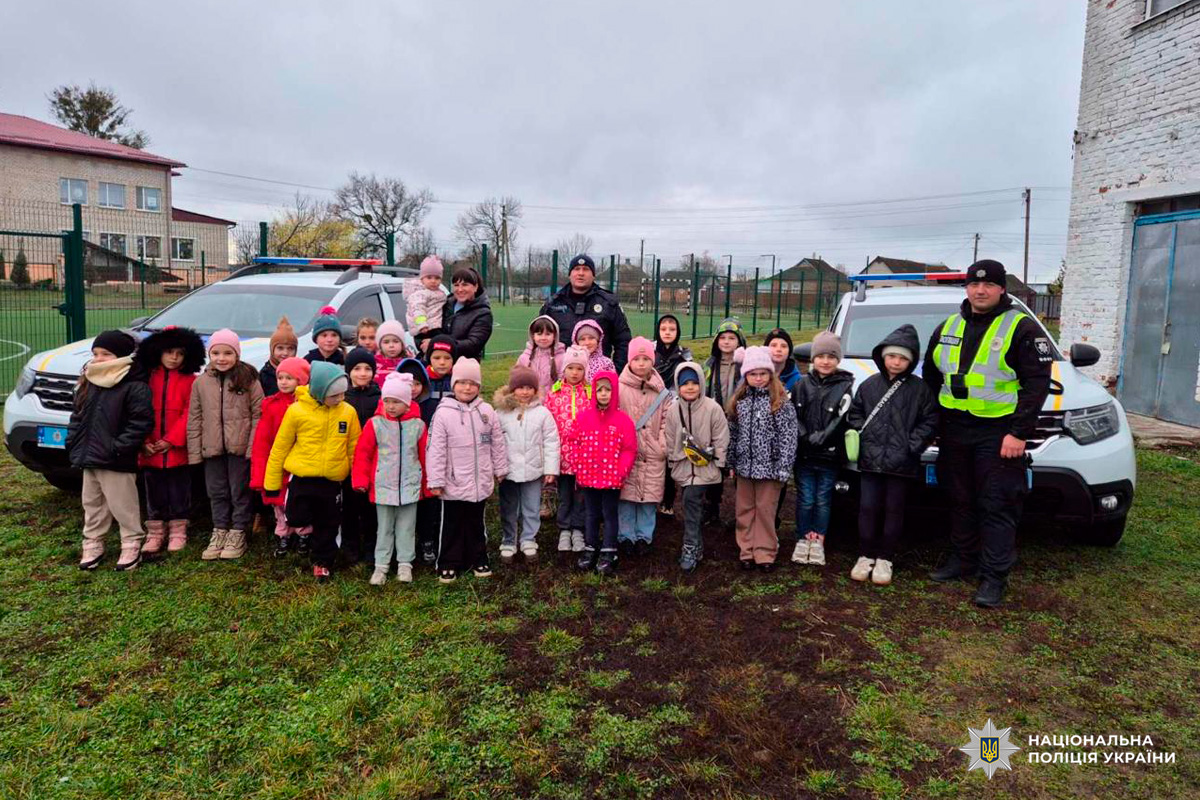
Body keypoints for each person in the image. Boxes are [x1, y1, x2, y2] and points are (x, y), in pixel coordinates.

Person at [922, 259, 1052, 607]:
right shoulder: (949, 325)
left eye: (989, 285)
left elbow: (1036, 384)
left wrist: (1018, 432)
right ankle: (962, 560)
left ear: (1001, 289)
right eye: (974, 285)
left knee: (997, 502)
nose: (980, 291)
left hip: (998, 431)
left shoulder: (1021, 328)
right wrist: (935, 424)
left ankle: (994, 576)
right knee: (960, 498)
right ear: (966, 288)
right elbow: (932, 376)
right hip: (955, 429)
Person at [847, 325, 938, 586]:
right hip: (871, 461)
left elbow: (930, 419)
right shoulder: (869, 385)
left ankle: (886, 558)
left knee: (894, 509)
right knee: (867, 507)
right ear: (882, 356)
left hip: (902, 462)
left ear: (910, 361)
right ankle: (865, 555)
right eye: (892, 356)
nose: (896, 362)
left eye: (903, 358)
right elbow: (856, 414)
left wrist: (913, 444)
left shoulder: (919, 389)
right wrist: (864, 440)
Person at [264, 361, 361, 582]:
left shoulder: (348, 412)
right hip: (302, 477)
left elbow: (354, 447)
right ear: (319, 392)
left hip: (331, 479)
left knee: (328, 523)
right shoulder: (296, 411)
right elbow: (280, 447)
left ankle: (322, 562)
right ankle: (304, 534)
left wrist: (355, 477)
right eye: (334, 395)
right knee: (296, 517)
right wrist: (271, 484)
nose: (340, 399)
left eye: (343, 394)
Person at [67, 330, 154, 571]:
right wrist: (73, 441)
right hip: (89, 456)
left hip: (116, 459)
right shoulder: (90, 381)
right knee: (92, 503)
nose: (98, 359)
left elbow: (141, 422)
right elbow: (78, 415)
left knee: (122, 504)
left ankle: (131, 542)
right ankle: (93, 542)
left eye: (106, 354)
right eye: (95, 354)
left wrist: (119, 447)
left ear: (123, 356)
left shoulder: (134, 386)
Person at [425, 357, 508, 583]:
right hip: (453, 482)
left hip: (479, 481)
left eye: (472, 383)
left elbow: (497, 442)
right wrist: (436, 479)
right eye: (462, 382)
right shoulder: (443, 413)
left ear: (479, 387)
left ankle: (478, 558)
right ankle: (448, 562)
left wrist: (500, 468)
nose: (467, 388)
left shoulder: (487, 411)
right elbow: (435, 449)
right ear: (453, 385)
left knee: (475, 524)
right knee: (451, 524)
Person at [187, 329, 263, 562]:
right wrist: (195, 453)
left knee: (239, 491)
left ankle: (238, 531)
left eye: (227, 353)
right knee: (217, 492)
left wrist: (251, 448)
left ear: (237, 354)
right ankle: (219, 530)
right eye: (216, 352)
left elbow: (258, 415)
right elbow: (195, 418)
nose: (221, 358)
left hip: (239, 449)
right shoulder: (201, 383)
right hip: (212, 449)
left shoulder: (248, 379)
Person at [726, 346, 799, 571]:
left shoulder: (780, 402)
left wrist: (784, 467)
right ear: (746, 375)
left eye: (762, 373)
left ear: (770, 374)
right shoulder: (740, 401)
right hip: (745, 468)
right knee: (744, 510)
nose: (758, 378)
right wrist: (731, 462)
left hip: (770, 469)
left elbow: (788, 436)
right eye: (753, 374)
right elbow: (733, 433)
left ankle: (765, 551)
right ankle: (746, 549)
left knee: (766, 510)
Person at [135, 326, 205, 558]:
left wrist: (171, 440)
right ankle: (155, 531)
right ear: (157, 351)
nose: (174, 358)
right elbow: (137, 410)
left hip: (176, 449)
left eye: (180, 353)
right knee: (153, 490)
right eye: (169, 352)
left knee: (179, 490)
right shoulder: (146, 377)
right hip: (150, 448)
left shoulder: (190, 381)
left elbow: (190, 413)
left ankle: (178, 529)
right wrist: (144, 439)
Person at [352, 372, 427, 586]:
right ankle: (381, 566)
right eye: (387, 401)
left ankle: (405, 564)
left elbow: (424, 456)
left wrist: (428, 485)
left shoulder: (418, 426)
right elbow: (363, 453)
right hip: (383, 485)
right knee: (384, 527)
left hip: (410, 485)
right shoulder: (375, 424)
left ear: (407, 402)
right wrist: (360, 479)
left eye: (396, 402)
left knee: (406, 527)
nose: (391, 406)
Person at [791, 332, 854, 567]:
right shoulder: (801, 384)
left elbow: (842, 418)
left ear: (838, 360)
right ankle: (802, 537)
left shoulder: (846, 386)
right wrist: (805, 437)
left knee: (823, 499)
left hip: (829, 456)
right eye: (820, 356)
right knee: (805, 498)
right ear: (812, 359)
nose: (825, 361)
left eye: (831, 356)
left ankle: (818, 539)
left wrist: (823, 437)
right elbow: (792, 415)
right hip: (805, 455)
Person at [570, 370, 637, 576]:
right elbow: (573, 442)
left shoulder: (622, 420)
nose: (604, 394)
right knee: (591, 513)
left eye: (608, 390)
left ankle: (609, 550)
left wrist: (621, 470)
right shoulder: (583, 418)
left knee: (609, 513)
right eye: (600, 390)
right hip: (588, 476)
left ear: (614, 391)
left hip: (611, 478)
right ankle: (591, 547)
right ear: (594, 392)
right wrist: (577, 465)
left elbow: (629, 448)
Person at [664, 362, 729, 573]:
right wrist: (673, 462)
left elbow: (721, 436)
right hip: (684, 468)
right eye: (685, 384)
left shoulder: (712, 408)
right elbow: (670, 437)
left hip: (706, 467)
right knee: (691, 505)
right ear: (678, 386)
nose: (690, 387)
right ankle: (697, 545)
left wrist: (719, 462)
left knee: (690, 501)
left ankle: (690, 546)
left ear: (701, 384)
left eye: (694, 383)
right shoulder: (674, 410)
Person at [493, 365, 560, 563]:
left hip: (533, 471)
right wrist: (497, 468)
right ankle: (509, 540)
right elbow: (495, 443)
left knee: (531, 507)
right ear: (512, 389)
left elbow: (551, 441)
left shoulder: (543, 414)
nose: (525, 392)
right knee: (509, 507)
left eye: (529, 388)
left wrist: (550, 469)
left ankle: (529, 538)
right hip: (508, 471)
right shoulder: (501, 413)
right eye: (520, 387)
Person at [250, 356, 313, 558]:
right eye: (281, 377)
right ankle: (283, 534)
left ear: (302, 381)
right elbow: (262, 440)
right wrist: (260, 472)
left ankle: (303, 534)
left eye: (290, 378)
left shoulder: (309, 405)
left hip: (299, 463)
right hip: (277, 463)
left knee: (300, 501)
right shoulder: (271, 405)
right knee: (279, 502)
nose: (284, 382)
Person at [617, 337, 670, 556]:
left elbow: (667, 419)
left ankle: (644, 536)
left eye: (645, 358)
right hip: (626, 453)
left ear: (652, 360)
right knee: (626, 498)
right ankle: (626, 536)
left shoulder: (661, 391)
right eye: (636, 359)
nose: (641, 363)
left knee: (649, 499)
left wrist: (662, 446)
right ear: (629, 360)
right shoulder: (619, 388)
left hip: (652, 453)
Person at [539, 253, 634, 372]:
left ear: (593, 275)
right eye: (576, 269)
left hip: (599, 381)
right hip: (562, 378)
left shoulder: (609, 303)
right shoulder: (552, 304)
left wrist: (614, 375)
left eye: (586, 269)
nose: (581, 273)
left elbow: (623, 342)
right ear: (570, 274)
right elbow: (539, 340)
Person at [545, 346, 592, 553]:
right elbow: (547, 425)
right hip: (562, 457)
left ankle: (578, 529)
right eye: (571, 368)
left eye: (579, 369)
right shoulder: (554, 394)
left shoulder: (590, 393)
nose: (574, 373)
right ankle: (564, 529)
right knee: (564, 495)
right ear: (564, 369)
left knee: (581, 495)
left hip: (584, 458)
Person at [414, 335, 456, 565]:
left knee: (444, 495)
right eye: (436, 357)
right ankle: (426, 538)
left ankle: (443, 536)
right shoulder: (421, 380)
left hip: (449, 448)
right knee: (427, 495)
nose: (441, 362)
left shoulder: (457, 382)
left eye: (447, 358)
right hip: (423, 447)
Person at [703, 317, 746, 521]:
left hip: (739, 422)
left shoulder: (746, 365)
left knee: (738, 466)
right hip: (715, 422)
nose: (727, 342)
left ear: (739, 341)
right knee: (714, 464)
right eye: (723, 337)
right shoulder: (710, 364)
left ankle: (741, 513)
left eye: (732, 337)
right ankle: (711, 506)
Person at [342, 347, 381, 565]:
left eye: (367, 368)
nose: (363, 373)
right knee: (349, 507)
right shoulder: (343, 398)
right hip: (348, 462)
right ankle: (350, 546)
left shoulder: (380, 397)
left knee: (370, 509)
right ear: (349, 372)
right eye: (357, 368)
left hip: (372, 462)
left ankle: (371, 547)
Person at [654, 313, 691, 517]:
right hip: (652, 410)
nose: (667, 332)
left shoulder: (685, 355)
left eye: (672, 329)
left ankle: (668, 498)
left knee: (671, 454)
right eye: (663, 329)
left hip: (675, 411)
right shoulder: (650, 353)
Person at [433, 267, 493, 360]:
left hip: (464, 368)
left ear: (475, 287)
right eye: (456, 285)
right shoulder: (444, 304)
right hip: (438, 367)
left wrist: (437, 345)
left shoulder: (483, 314)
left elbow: (473, 345)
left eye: (465, 285)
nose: (460, 289)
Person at [515, 315, 566, 396]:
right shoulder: (524, 358)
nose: (543, 338)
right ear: (533, 336)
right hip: (529, 402)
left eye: (548, 334)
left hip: (553, 404)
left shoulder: (562, 358)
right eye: (539, 334)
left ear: (554, 336)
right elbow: (516, 381)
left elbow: (565, 383)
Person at [405, 255, 447, 351]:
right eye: (429, 277)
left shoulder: (440, 293)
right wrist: (422, 324)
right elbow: (418, 309)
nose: (433, 281)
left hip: (434, 327)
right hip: (425, 330)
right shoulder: (420, 294)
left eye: (437, 278)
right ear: (422, 279)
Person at [260, 316, 298, 397]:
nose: (285, 353)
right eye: (280, 348)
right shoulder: (264, 375)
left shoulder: (300, 372)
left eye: (290, 348)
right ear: (272, 349)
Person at [373, 319, 415, 388]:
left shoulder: (409, 363)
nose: (391, 345)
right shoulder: (375, 364)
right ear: (380, 345)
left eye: (396, 341)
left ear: (402, 344)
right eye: (386, 342)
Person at [763, 328, 801, 393]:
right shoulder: (754, 374)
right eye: (773, 345)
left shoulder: (797, 380)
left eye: (783, 346)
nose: (778, 349)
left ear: (789, 351)